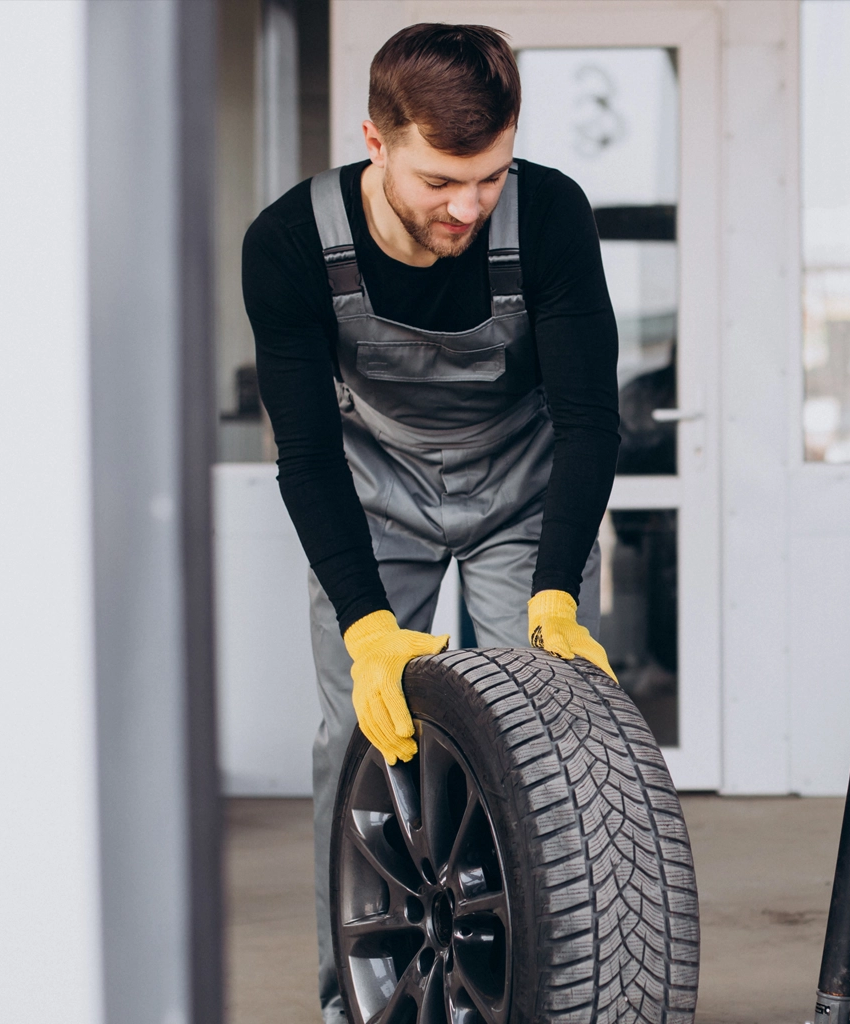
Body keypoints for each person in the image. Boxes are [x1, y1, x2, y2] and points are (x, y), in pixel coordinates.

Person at [240, 23, 620, 1023]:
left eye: (487, 176)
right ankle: (355, 996)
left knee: (542, 733)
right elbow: (308, 455)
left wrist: (555, 587)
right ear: (375, 138)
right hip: (369, 495)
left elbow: (588, 419)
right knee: (360, 737)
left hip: (521, 492)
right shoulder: (286, 245)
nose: (466, 206)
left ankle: (548, 985)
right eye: (440, 180)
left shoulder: (549, 217)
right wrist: (368, 625)